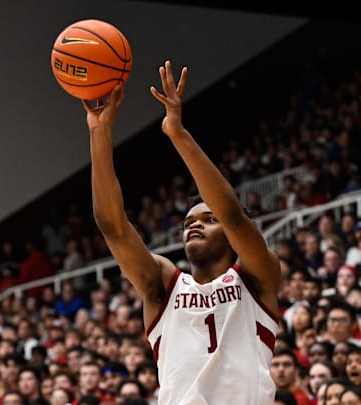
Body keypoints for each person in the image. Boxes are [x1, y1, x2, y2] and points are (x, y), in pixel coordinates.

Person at [85, 60, 281, 404]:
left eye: (208, 219)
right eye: (189, 222)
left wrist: (178, 134)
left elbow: (233, 216)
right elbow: (113, 229)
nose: (194, 225)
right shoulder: (163, 284)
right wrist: (99, 133)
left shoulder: (257, 276)